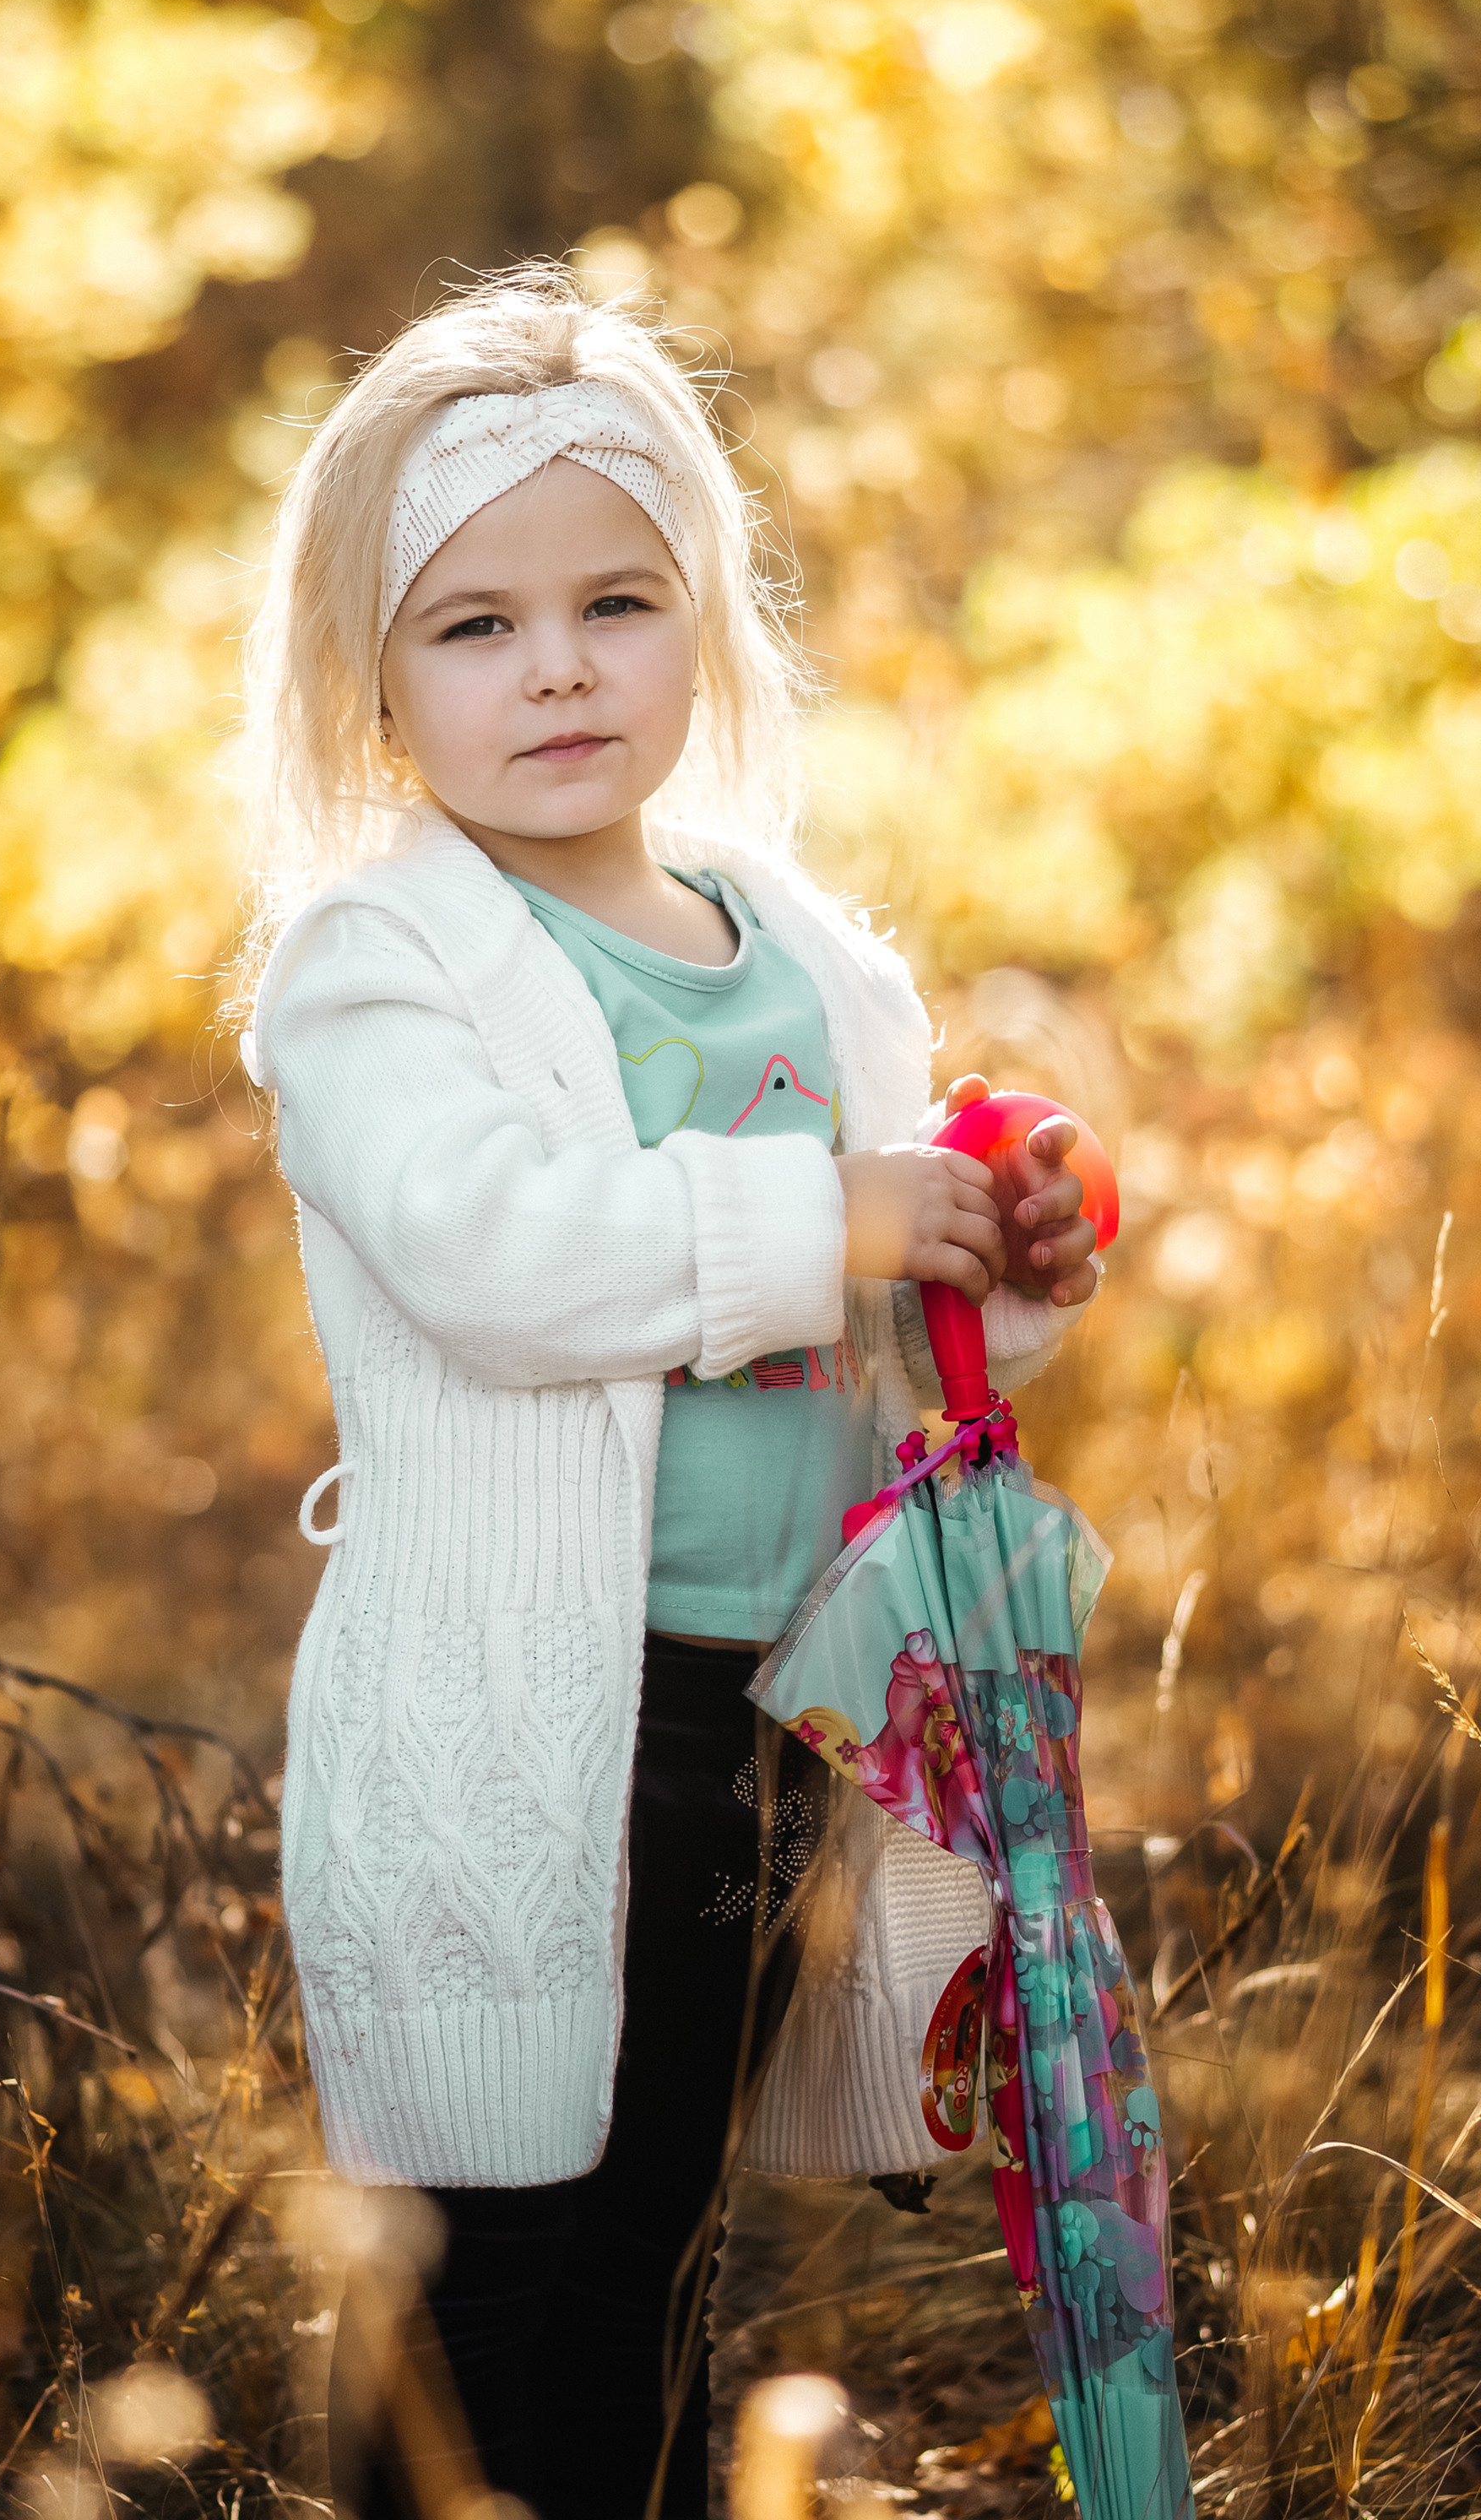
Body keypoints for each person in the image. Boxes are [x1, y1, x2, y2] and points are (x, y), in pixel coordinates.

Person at [236, 266, 1100, 2519]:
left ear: (700, 620)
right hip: (527, 1720)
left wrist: (996, 1256)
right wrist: (836, 1212)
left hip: (771, 1717)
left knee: (659, 2253)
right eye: (476, 626)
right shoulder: (381, 968)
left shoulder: (799, 949)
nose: (558, 668)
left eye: (615, 604)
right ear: (371, 679)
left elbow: (886, 1317)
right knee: (489, 2274)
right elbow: (498, 1256)